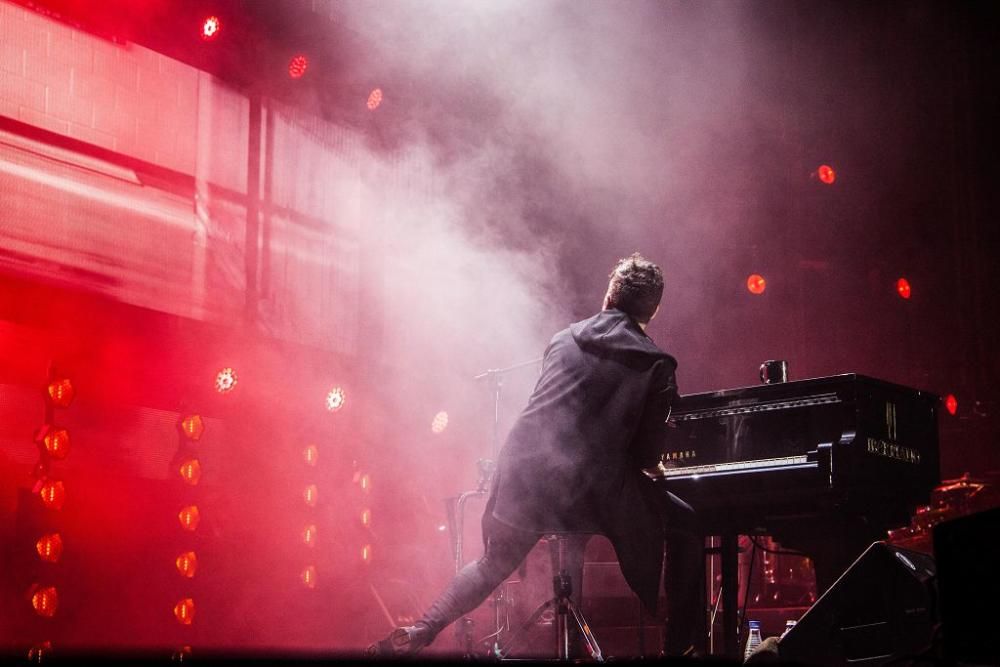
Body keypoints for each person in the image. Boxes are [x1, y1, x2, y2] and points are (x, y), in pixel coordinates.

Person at [368, 253, 703, 658]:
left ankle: (423, 628)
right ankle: (682, 648)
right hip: (585, 488)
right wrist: (654, 468)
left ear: (608, 296)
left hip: (524, 471)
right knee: (687, 523)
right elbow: (647, 456)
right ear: (654, 309)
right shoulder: (658, 364)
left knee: (492, 564)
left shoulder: (563, 339)